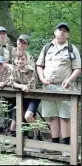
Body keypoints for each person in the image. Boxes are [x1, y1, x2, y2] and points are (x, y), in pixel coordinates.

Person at [36, 22, 81, 155]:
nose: (62, 32)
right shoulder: (47, 47)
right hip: (48, 86)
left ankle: (66, 149)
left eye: (65, 31)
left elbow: (77, 68)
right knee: (52, 116)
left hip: (64, 87)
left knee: (65, 117)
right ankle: (55, 146)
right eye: (59, 30)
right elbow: (39, 65)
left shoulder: (71, 49)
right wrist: (42, 78)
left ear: (68, 34)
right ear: (55, 32)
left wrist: (69, 79)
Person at [10, 52, 41, 140]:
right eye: (18, 59)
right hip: (22, 97)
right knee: (18, 115)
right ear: (15, 61)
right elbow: (12, 82)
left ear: (26, 61)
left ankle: (37, 135)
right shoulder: (14, 70)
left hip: (33, 97)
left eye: (23, 59)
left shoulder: (30, 71)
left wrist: (21, 86)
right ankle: (17, 139)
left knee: (28, 116)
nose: (20, 61)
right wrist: (21, 86)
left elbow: (30, 87)